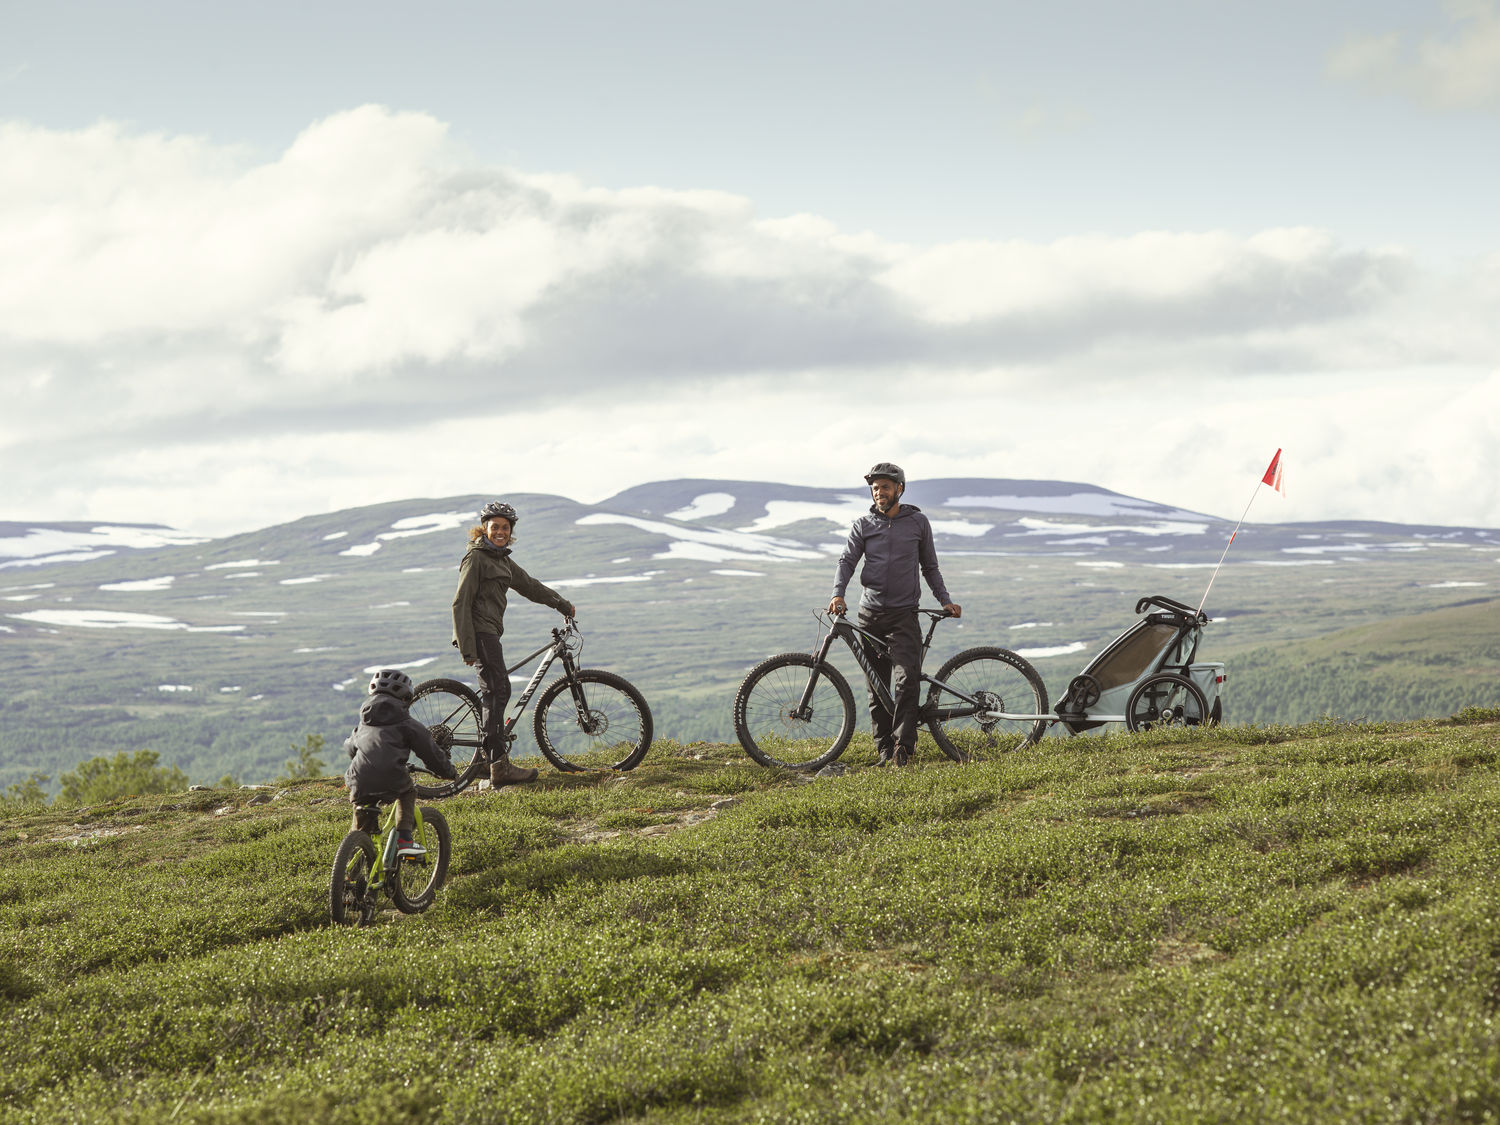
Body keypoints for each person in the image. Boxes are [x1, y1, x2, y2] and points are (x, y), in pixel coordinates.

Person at [827, 463, 962, 767]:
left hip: (903, 616)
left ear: (899, 489)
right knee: (877, 687)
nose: (879, 493)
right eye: (875, 488)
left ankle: (904, 750)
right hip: (870, 615)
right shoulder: (863, 525)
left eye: (885, 487)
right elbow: (847, 560)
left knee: (906, 681)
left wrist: (945, 599)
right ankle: (885, 751)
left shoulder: (917, 523)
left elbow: (930, 567)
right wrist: (838, 593)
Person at [451, 500, 577, 786]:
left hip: (490, 633)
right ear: (484, 529)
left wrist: (562, 604)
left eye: (505, 528)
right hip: (481, 634)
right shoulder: (476, 558)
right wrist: (467, 647)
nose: (500, 532)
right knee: (499, 691)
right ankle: (499, 765)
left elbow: (530, 586)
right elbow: (460, 603)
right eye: (495, 527)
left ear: (510, 531)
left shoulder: (502, 561)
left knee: (495, 692)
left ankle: (486, 761)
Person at [344, 668, 457, 856]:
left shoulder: (364, 723)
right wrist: (448, 771)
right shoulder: (407, 723)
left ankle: (348, 873)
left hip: (359, 780)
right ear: (405, 698)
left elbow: (350, 747)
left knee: (361, 828)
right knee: (407, 791)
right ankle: (404, 839)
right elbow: (430, 752)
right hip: (391, 777)